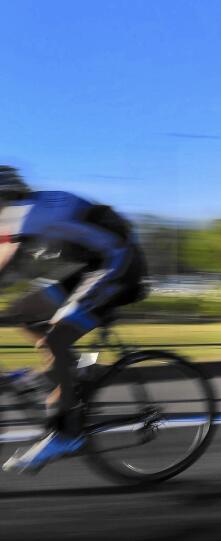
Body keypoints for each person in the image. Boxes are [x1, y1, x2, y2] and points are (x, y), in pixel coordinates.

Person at [0, 183, 148, 473]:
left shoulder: (28, 213)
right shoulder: (15, 214)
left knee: (56, 340)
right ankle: (75, 368)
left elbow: (8, 264)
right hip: (93, 267)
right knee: (21, 311)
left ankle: (67, 435)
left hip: (119, 266)